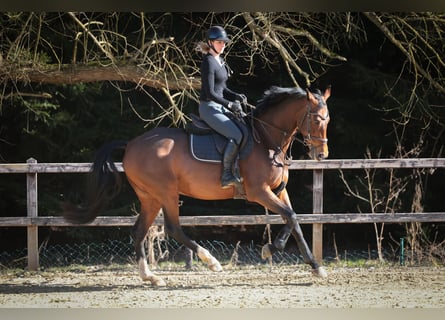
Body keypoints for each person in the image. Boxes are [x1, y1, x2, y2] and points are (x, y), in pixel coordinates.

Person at [197, 25, 247, 189]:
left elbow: (222, 89)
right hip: (209, 107)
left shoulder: (220, 61)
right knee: (236, 135)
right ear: (210, 43)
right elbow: (211, 93)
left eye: (224, 42)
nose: (223, 45)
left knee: (245, 127)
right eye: (219, 42)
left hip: (219, 106)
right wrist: (230, 104)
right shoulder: (208, 62)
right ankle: (226, 175)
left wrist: (236, 96)